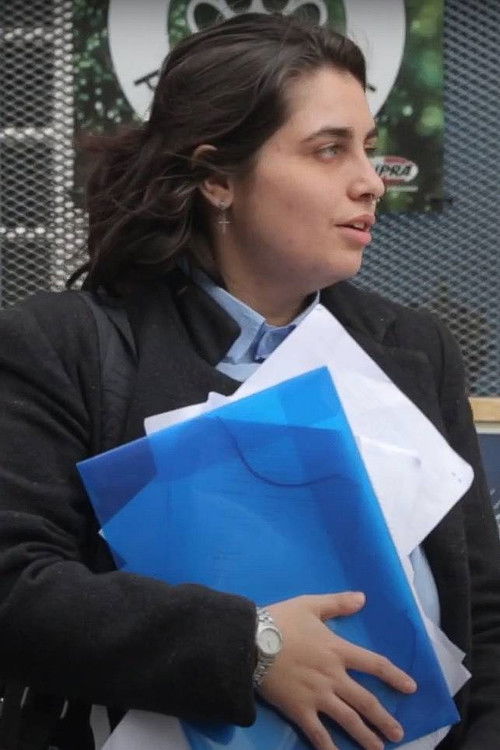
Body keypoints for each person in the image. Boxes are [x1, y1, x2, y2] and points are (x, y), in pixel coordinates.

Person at [0, 12, 499, 750]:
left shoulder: (413, 349)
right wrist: (251, 647)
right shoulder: (66, 344)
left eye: (368, 148)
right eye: (329, 150)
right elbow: (15, 588)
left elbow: (483, 619)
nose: (370, 181)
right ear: (216, 178)